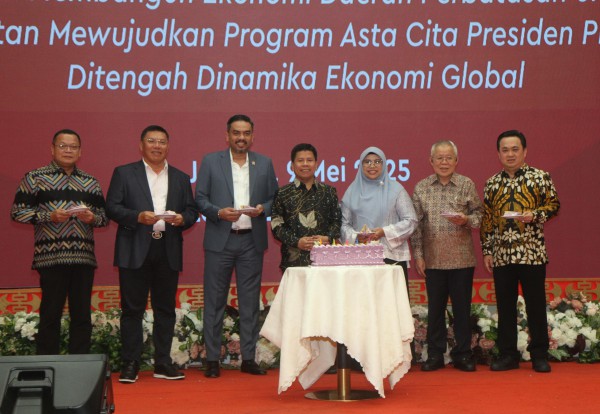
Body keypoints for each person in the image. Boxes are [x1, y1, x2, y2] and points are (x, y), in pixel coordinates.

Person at [106, 125, 198, 383]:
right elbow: (112, 207)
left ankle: (163, 363)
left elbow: (192, 211)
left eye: (162, 142)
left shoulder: (181, 177)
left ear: (168, 146)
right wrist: (137, 216)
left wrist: (182, 219)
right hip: (134, 248)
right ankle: (131, 363)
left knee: (165, 309)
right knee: (132, 309)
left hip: (167, 248)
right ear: (141, 145)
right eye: (151, 141)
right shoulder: (124, 173)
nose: (157, 146)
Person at [11, 129, 108, 355]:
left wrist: (92, 218)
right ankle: (47, 365)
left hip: (83, 258)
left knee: (82, 316)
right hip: (51, 258)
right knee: (50, 315)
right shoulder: (34, 177)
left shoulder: (91, 182)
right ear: (52, 149)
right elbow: (17, 213)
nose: (68, 151)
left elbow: (104, 218)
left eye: (73, 147)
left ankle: (79, 365)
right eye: (63, 146)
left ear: (80, 152)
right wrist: (50, 216)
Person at [196, 114, 278, 378]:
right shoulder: (211, 161)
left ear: (252, 136)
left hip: (251, 241)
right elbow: (200, 198)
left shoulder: (264, 163)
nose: (241, 138)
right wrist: (218, 212)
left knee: (249, 302)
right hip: (220, 239)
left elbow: (275, 199)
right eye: (236, 133)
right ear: (227, 135)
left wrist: (262, 209)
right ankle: (212, 359)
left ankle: (249, 358)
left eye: (246, 133)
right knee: (214, 300)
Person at [481, 130, 560, 373]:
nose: (510, 154)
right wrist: (487, 250)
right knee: (505, 308)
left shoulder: (540, 177)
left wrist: (535, 215)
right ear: (498, 154)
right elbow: (487, 220)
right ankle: (508, 356)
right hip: (502, 254)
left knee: (535, 305)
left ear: (524, 151)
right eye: (505, 150)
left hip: (532, 252)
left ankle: (539, 355)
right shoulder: (492, 183)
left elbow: (554, 205)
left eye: (515, 149)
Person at [410, 140, 483, 372]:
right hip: (433, 259)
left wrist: (466, 220)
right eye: (439, 158)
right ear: (431, 161)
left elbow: (480, 216)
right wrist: (419, 255)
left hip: (462, 259)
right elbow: (416, 226)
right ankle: (435, 355)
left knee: (462, 310)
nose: (444, 162)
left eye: (448, 157)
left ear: (456, 160)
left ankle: (463, 354)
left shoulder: (466, 184)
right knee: (435, 311)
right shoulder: (422, 187)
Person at [340, 146, 417, 285]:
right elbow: (344, 224)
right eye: (367, 162)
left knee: (391, 298)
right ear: (361, 165)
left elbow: (411, 221)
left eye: (377, 161)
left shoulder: (396, 190)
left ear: (384, 164)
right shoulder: (351, 192)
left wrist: (384, 232)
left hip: (390, 257)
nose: (372, 165)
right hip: (360, 257)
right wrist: (357, 237)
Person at [271, 143, 342, 272]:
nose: (305, 164)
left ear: (316, 165)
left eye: (309, 160)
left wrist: (328, 238)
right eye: (300, 160)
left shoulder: (329, 192)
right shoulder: (282, 193)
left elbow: (337, 222)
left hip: (325, 260)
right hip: (293, 262)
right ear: (292, 166)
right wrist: (296, 242)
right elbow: (276, 226)